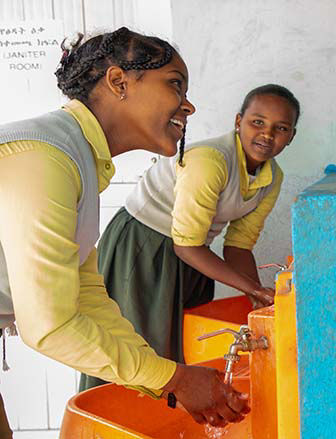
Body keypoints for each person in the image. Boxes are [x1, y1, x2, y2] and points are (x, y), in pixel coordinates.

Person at [0, 27, 250, 432]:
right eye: (174, 85)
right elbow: (50, 326)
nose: (188, 107)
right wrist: (173, 379)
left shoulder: (76, 157)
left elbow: (88, 295)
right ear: (118, 82)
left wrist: (169, 378)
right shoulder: (46, 157)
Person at [80, 84, 298, 391]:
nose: (266, 135)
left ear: (291, 136)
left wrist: (258, 305)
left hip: (194, 255)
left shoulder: (271, 178)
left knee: (179, 354)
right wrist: (251, 287)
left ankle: (169, 427)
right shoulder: (210, 160)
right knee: (138, 354)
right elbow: (185, 245)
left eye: (281, 128)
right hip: (144, 246)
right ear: (238, 122)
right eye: (257, 122)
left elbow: (238, 245)